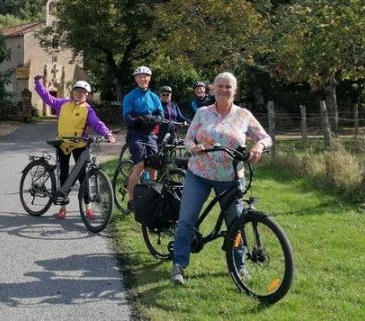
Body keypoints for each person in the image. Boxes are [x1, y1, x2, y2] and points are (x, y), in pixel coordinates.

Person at [170, 72, 272, 286]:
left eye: (228, 86)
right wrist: (194, 148)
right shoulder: (202, 113)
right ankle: (178, 265)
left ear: (234, 90)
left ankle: (239, 266)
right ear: (212, 89)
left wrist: (259, 145)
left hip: (231, 178)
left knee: (236, 223)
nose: (224, 90)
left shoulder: (243, 115)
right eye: (220, 86)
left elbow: (265, 137)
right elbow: (188, 139)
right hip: (199, 174)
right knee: (187, 219)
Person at [34, 76, 116, 219]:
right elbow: (47, 98)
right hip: (63, 144)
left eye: (82, 92)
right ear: (73, 92)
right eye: (77, 91)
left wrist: (107, 133)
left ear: (86, 94)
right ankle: (63, 207)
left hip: (79, 145)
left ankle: (88, 207)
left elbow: (97, 123)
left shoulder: (87, 109)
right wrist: (38, 83)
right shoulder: (63, 103)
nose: (79, 93)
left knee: (82, 176)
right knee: (64, 174)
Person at [122, 66, 163, 212]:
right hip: (135, 134)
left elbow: (161, 115)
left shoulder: (154, 97)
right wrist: (139, 120)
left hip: (150, 135)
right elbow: (127, 117)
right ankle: (131, 200)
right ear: (135, 79)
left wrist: (152, 119)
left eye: (145, 76)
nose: (142, 79)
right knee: (139, 166)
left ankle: (151, 197)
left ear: (149, 78)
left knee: (153, 167)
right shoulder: (130, 96)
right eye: (139, 77)